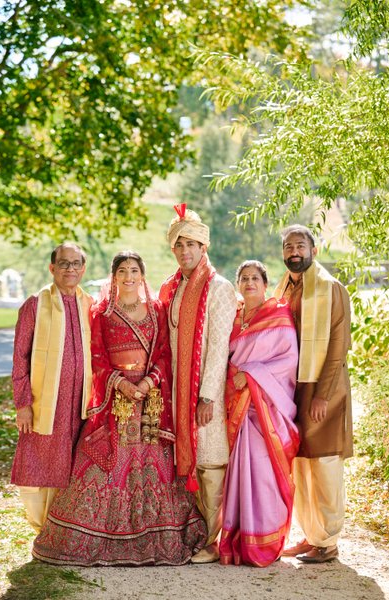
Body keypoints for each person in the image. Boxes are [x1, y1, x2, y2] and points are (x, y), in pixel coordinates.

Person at [33, 251, 207, 566]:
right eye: (122, 271)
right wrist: (123, 385)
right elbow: (97, 358)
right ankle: (94, 537)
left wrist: (148, 383)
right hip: (116, 404)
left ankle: (156, 535)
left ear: (142, 275)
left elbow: (165, 354)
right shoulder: (101, 313)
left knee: (154, 466)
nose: (128, 277)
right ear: (114, 277)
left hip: (149, 404)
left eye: (134, 271)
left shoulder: (156, 310)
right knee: (105, 465)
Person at [159, 204, 238, 564]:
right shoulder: (173, 289)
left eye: (192, 244)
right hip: (178, 391)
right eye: (179, 245)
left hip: (208, 392)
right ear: (173, 250)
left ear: (204, 248)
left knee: (211, 463)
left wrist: (207, 395)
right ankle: (195, 531)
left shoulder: (218, 287)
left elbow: (219, 345)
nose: (185, 251)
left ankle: (213, 539)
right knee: (188, 462)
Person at [275, 225, 353, 563]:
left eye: (301, 245)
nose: (295, 251)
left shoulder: (331, 289)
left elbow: (338, 347)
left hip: (325, 389)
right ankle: (312, 536)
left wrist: (322, 394)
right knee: (302, 465)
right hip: (295, 390)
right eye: (289, 246)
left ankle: (329, 539)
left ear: (314, 249)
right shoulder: (285, 289)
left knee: (324, 464)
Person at [220, 260, 299, 567]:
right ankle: (238, 538)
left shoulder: (277, 315)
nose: (249, 282)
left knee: (262, 469)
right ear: (238, 285)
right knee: (237, 470)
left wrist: (250, 375)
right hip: (235, 406)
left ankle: (264, 540)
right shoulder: (234, 317)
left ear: (265, 284)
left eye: (255, 278)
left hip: (264, 409)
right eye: (244, 278)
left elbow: (287, 361)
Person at [11, 242, 92, 532]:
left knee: (69, 463)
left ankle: (62, 526)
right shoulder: (36, 304)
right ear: (52, 268)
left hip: (79, 403)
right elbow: (20, 357)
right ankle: (40, 525)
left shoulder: (88, 304)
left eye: (75, 263)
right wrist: (22, 405)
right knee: (39, 461)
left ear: (83, 269)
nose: (70, 269)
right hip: (44, 401)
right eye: (63, 263)